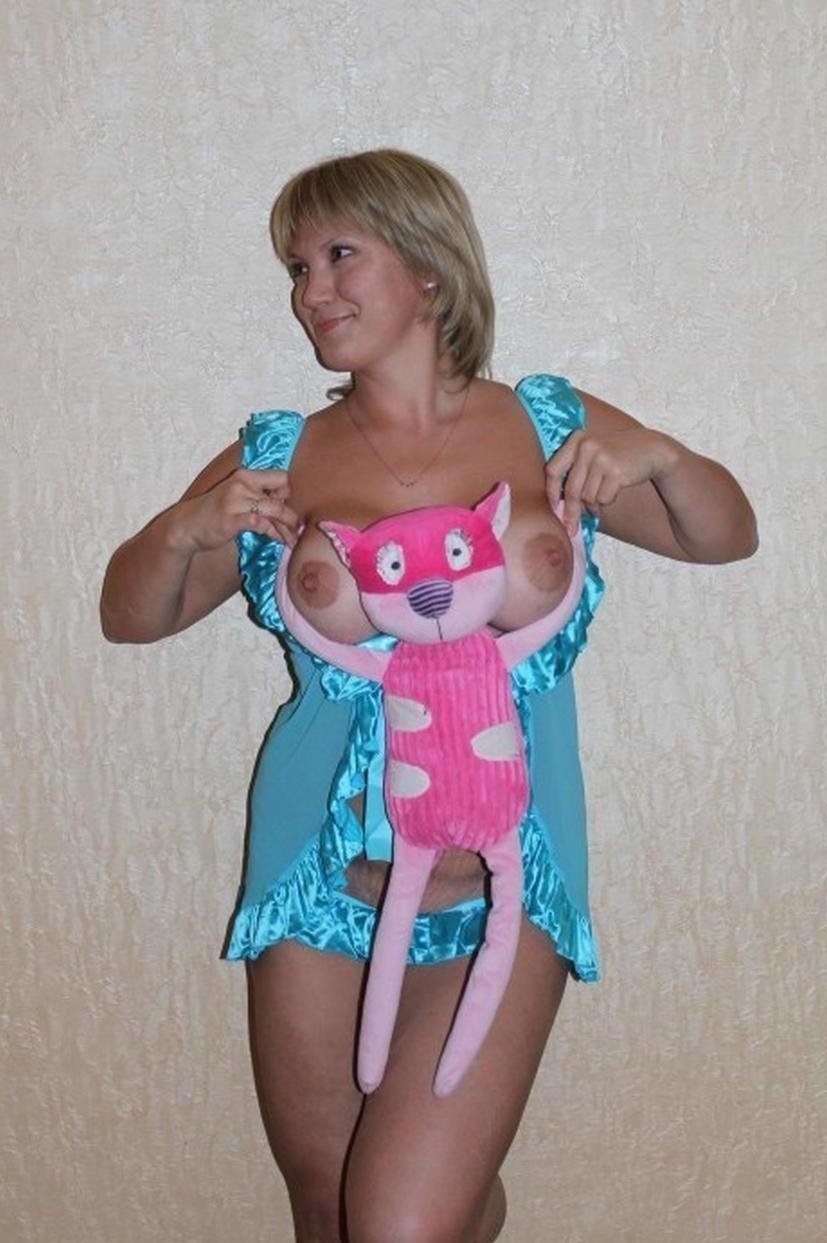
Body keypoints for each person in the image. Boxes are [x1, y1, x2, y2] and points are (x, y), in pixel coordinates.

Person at [100, 149, 757, 1243]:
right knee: (329, 1211)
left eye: (338, 255)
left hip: (508, 873)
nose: (312, 292)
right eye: (297, 268)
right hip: (317, 882)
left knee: (402, 1220)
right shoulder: (281, 453)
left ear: (429, 268)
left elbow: (724, 535)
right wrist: (184, 529)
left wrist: (658, 456)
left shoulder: (545, 424)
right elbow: (131, 616)